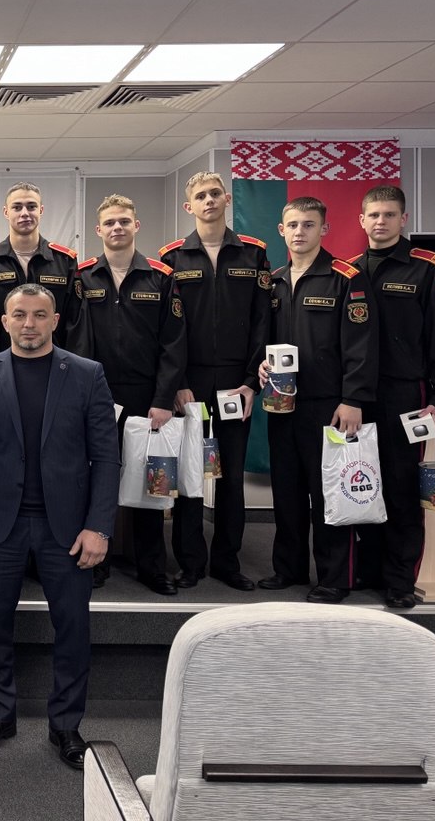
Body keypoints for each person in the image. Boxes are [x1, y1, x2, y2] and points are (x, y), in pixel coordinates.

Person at [0, 284, 119, 768]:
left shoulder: (87, 374)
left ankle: (66, 725)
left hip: (68, 529)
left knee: (73, 629)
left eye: (40, 315)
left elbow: (107, 457)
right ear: (5, 322)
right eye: (20, 315)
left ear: (55, 320)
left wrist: (99, 527)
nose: (29, 324)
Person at [351, 185, 435, 609]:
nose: (380, 221)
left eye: (389, 214)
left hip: (405, 394)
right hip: (357, 395)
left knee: (400, 488)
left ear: (403, 219)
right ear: (361, 220)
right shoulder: (348, 270)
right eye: (373, 215)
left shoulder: (429, 267)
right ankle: (369, 568)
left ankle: (400, 579)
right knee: (361, 483)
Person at [256, 197, 378, 604]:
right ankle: (288, 568)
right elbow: (263, 338)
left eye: (309, 224)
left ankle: (334, 577)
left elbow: (362, 345)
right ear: (282, 231)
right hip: (282, 402)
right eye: (293, 225)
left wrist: (353, 398)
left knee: (329, 493)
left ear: (323, 229)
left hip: (330, 406)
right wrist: (260, 367)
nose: (300, 232)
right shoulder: (274, 282)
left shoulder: (345, 278)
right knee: (286, 490)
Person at [158, 171, 271, 592]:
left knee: (230, 477)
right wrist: (178, 382)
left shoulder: (253, 254)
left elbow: (262, 321)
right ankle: (191, 562)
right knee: (190, 475)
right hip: (191, 383)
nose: (208, 201)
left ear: (227, 199)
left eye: (214, 194)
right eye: (200, 196)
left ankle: (227, 561)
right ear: (189, 206)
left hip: (236, 384)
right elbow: (168, 329)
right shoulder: (172, 257)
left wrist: (251, 382)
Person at [70, 195, 186, 595]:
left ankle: (152, 567)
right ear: (98, 230)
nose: (117, 228)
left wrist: (163, 398)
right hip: (97, 395)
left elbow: (174, 343)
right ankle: (95, 563)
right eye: (109, 222)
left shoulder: (161, 276)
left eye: (124, 221)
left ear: (136, 226)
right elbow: (74, 340)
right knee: (96, 479)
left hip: (146, 399)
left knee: (152, 484)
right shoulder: (82, 277)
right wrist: (80, 396)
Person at [0, 183, 80, 351]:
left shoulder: (64, 261)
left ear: (41, 210)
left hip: (54, 358)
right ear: (6, 212)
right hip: (2, 359)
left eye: (31, 207)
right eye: (17, 207)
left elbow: (75, 320)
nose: (25, 213)